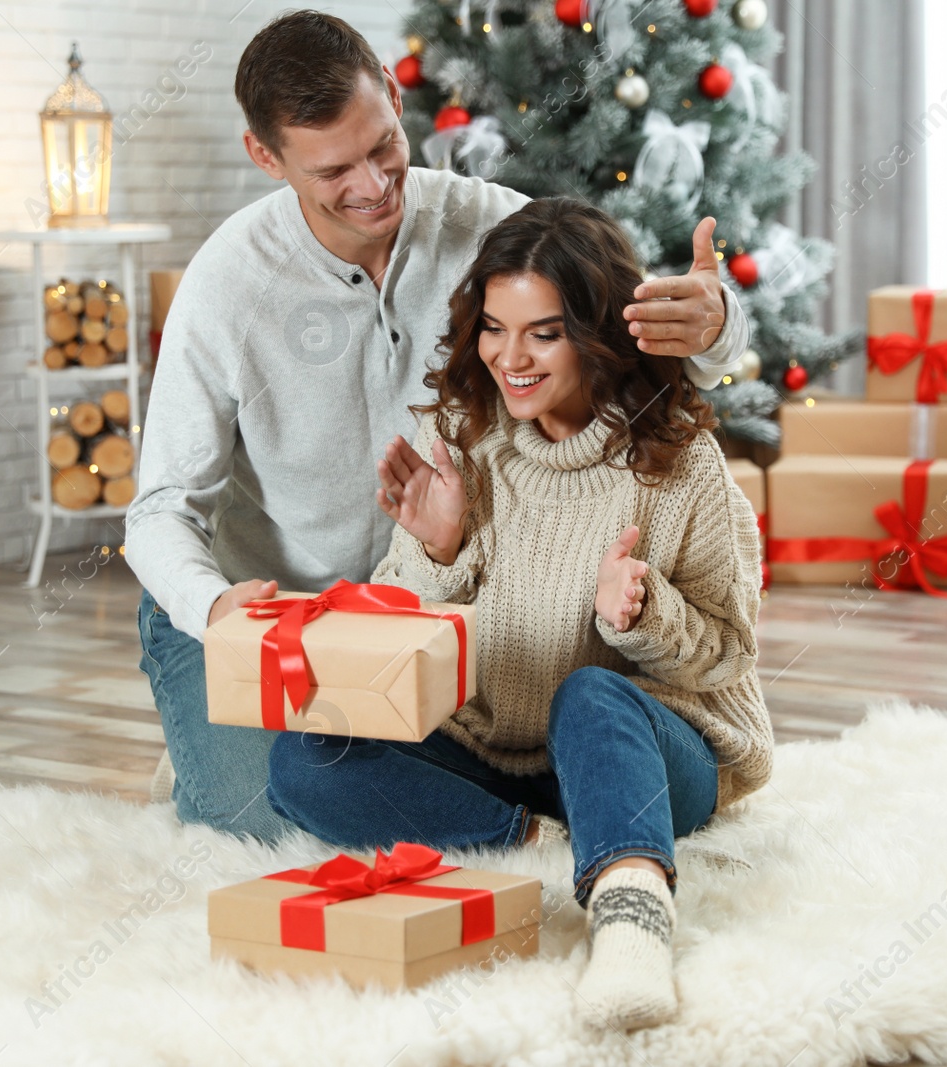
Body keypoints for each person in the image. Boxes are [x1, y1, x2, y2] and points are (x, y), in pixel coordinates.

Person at [129, 10, 753, 844]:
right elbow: (159, 507)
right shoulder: (224, 285)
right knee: (264, 819)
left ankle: (514, 819)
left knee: (380, 791)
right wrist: (214, 612)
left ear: (393, 93)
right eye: (333, 169)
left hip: (428, 601)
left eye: (383, 145)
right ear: (265, 157)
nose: (374, 184)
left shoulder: (489, 226)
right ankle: (220, 734)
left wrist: (717, 327)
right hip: (263, 609)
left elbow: (626, 324)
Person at [263, 198, 773, 1030]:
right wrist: (438, 552)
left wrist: (644, 617)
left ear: (599, 333)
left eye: (543, 332)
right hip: (497, 750)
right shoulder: (464, 436)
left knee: (591, 693)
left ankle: (632, 918)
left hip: (651, 753)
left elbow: (727, 655)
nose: (510, 357)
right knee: (302, 759)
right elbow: (397, 650)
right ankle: (532, 840)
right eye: (495, 328)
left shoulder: (682, 465)